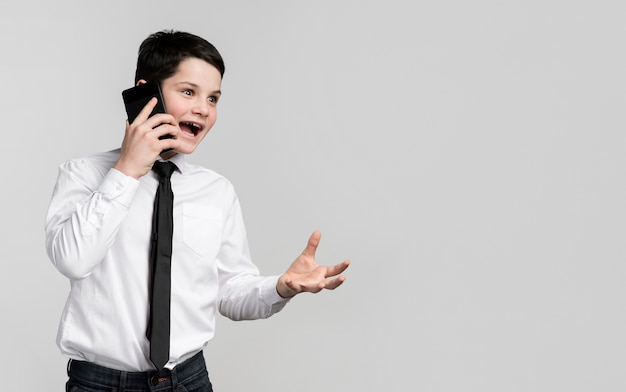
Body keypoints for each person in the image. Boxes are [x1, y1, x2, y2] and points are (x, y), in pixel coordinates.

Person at [44, 29, 350, 392]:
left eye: (214, 98)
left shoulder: (216, 191)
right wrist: (127, 170)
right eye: (188, 92)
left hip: (188, 381)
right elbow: (73, 260)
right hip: (100, 384)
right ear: (147, 93)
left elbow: (230, 290)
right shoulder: (83, 174)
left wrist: (279, 288)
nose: (203, 109)